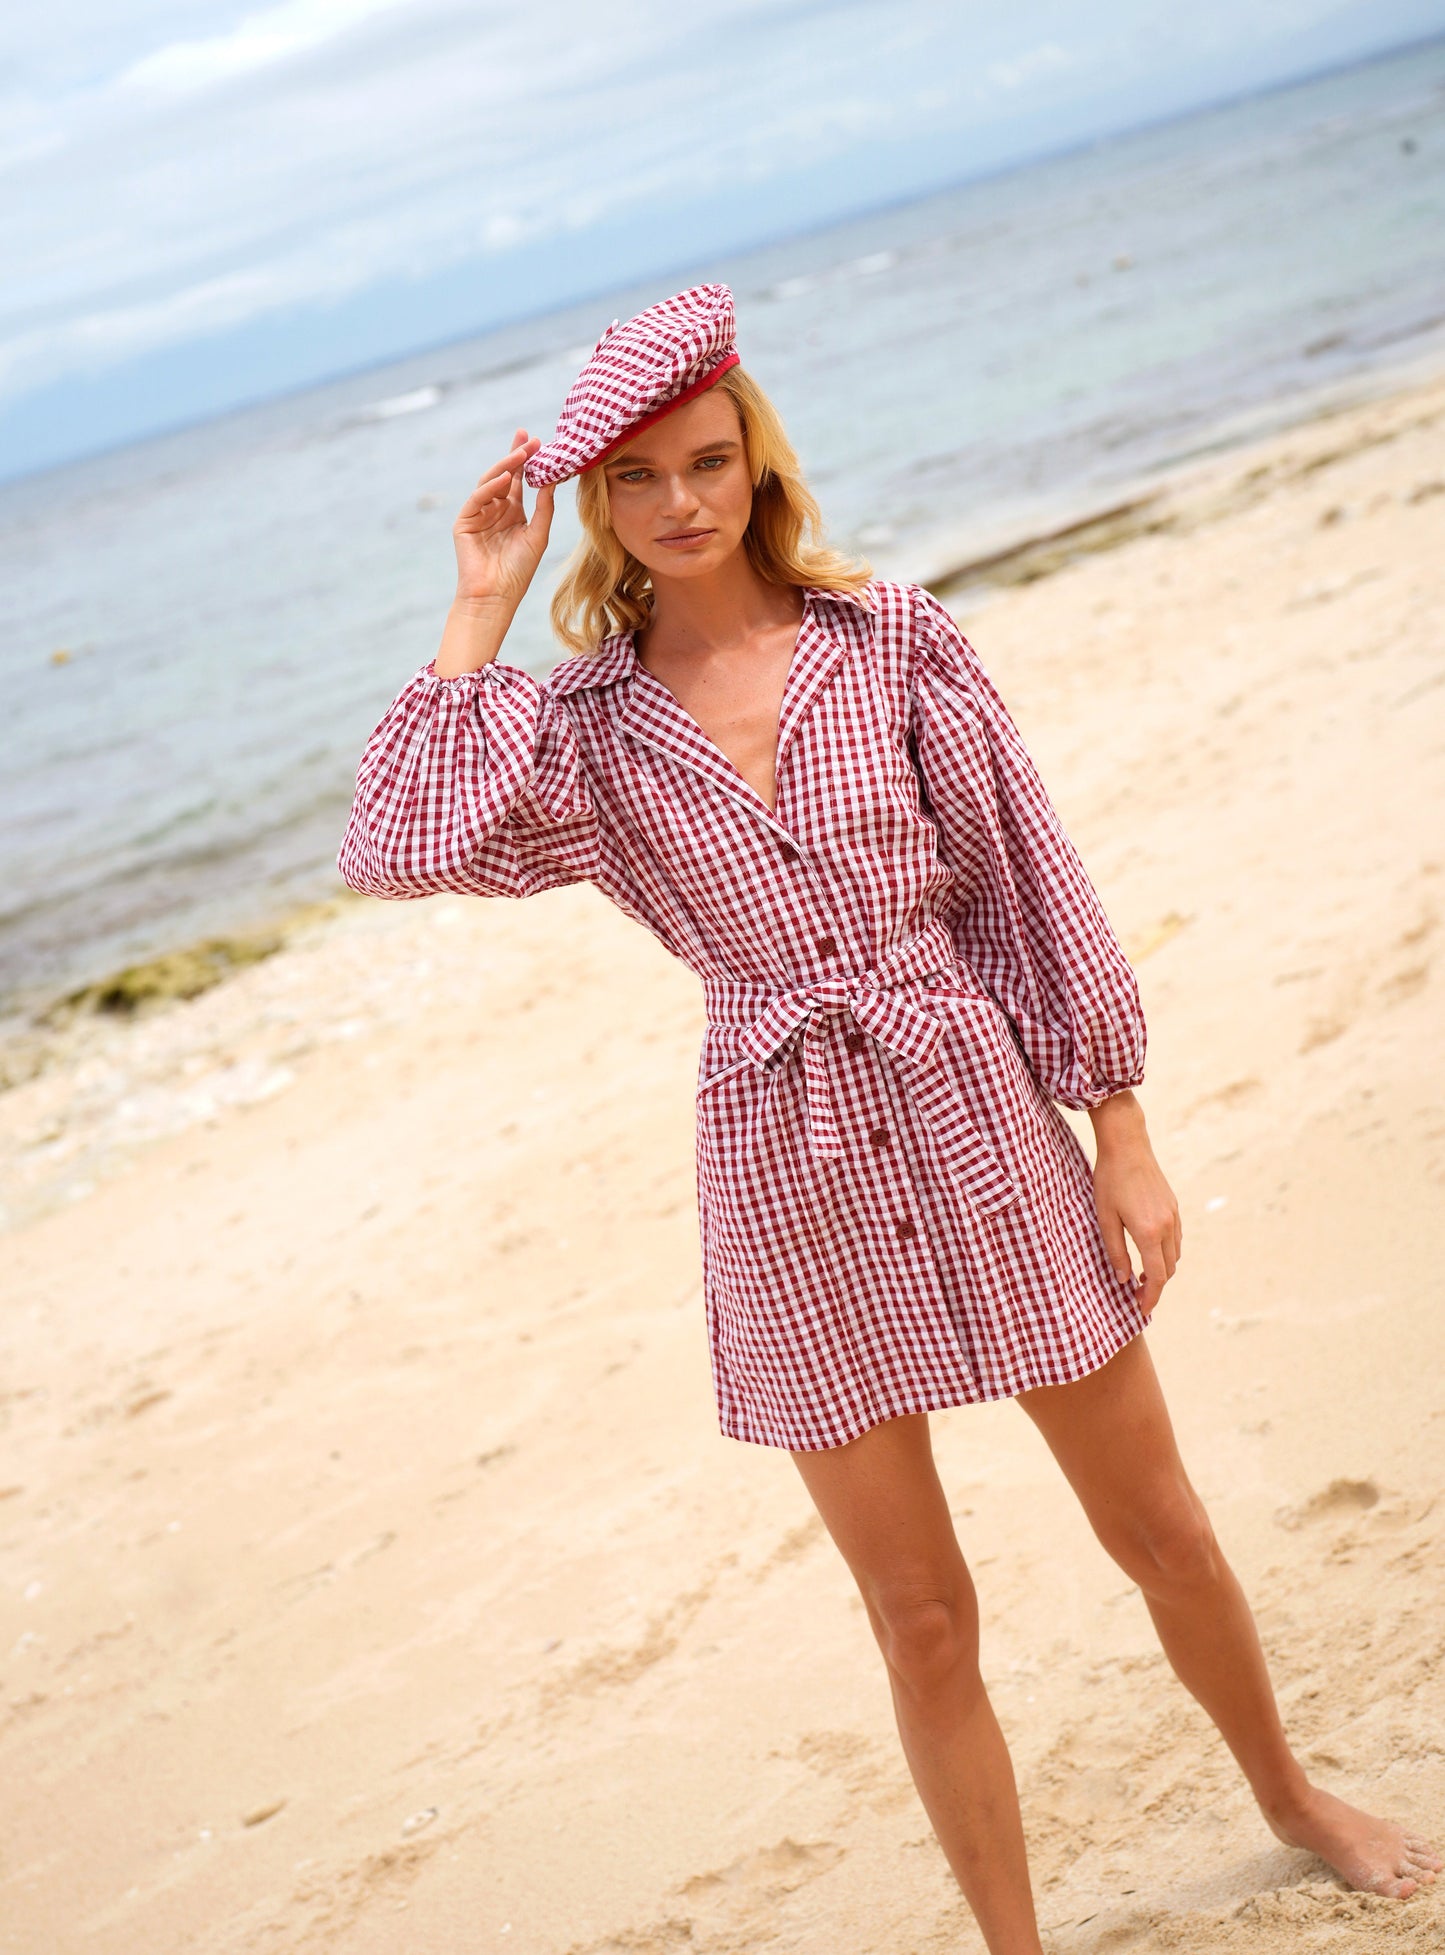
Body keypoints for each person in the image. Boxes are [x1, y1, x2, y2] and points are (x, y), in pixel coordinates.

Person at [337, 284, 1437, 1952]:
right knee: (919, 1618)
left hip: (975, 1113)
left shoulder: (891, 641)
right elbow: (400, 846)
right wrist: (480, 603)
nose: (681, 501)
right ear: (598, 505)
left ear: (758, 460)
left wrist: (1120, 1128)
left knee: (1159, 1529)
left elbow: (1025, 885)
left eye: (708, 462)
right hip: (781, 1169)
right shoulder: (577, 728)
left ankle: (1287, 1795)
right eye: (635, 478)